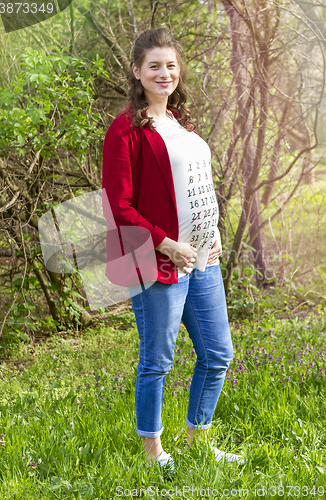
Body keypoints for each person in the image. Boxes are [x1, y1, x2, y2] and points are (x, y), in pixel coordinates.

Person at [102, 27, 244, 472]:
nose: (165, 73)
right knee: (158, 360)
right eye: (155, 66)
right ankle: (153, 454)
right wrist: (166, 242)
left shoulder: (182, 122)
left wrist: (212, 230)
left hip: (202, 260)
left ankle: (198, 440)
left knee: (218, 353)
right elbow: (118, 205)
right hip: (155, 260)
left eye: (171, 65)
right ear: (137, 72)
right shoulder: (125, 129)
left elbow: (196, 185)